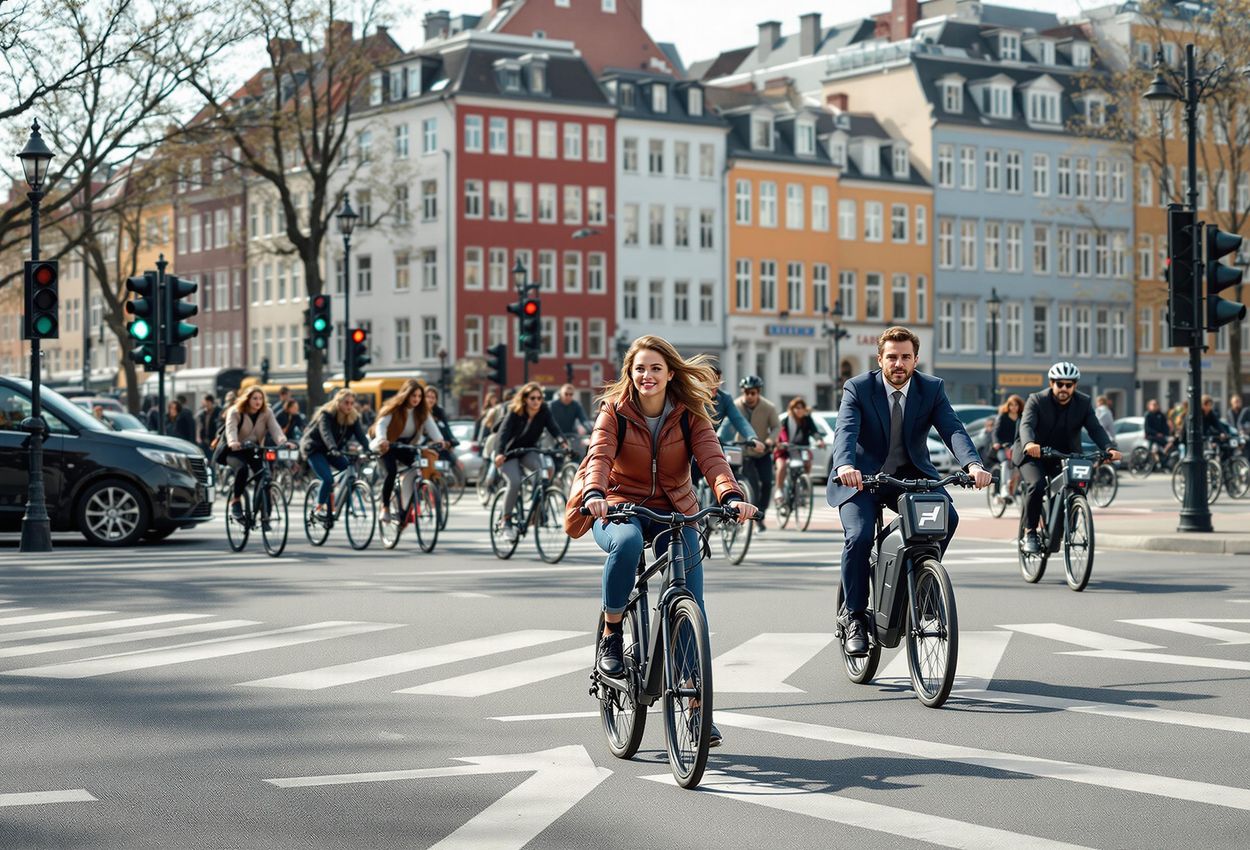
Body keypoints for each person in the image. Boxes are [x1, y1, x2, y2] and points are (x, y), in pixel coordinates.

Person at [580, 335, 757, 748]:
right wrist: (594, 494)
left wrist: (730, 495)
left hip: (676, 509)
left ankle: (697, 709)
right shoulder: (615, 411)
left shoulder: (691, 414)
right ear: (630, 373)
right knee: (625, 544)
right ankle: (612, 633)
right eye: (640, 368)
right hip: (619, 506)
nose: (647, 376)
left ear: (670, 373)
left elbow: (712, 457)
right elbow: (600, 455)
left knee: (690, 601)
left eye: (656, 368)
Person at [829, 326, 992, 657]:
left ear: (916, 359)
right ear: (880, 359)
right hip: (861, 479)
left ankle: (921, 586)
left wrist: (973, 465)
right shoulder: (858, 388)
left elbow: (953, 429)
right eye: (892, 357)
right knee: (859, 537)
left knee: (948, 516)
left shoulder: (931, 389)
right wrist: (845, 466)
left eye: (905, 357)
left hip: (909, 475)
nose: (898, 363)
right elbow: (845, 430)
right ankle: (856, 617)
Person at [1015, 362, 1120, 555]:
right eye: (1060, 384)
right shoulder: (1036, 400)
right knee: (1036, 485)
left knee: (1076, 483)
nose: (1064, 388)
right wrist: (1030, 443)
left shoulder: (1083, 403)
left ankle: (1067, 519)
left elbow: (1095, 428)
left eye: (1069, 385)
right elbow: (1027, 424)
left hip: (1063, 453)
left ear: (1075, 386)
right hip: (1033, 453)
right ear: (1051, 383)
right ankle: (1030, 532)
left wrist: (1109, 448)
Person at [493, 382, 567, 543]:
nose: (536, 401)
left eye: (539, 398)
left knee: (547, 469)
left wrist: (563, 443)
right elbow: (503, 434)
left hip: (528, 450)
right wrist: (499, 453)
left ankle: (537, 511)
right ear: (525, 399)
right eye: (532, 398)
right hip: (508, 453)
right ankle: (505, 521)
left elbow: (554, 428)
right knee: (515, 482)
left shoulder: (543, 411)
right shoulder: (515, 412)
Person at [368, 380, 446, 522]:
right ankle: (385, 507)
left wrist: (440, 441)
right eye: (413, 396)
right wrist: (382, 440)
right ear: (406, 395)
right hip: (386, 445)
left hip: (405, 446)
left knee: (417, 467)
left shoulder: (422, 412)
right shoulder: (394, 408)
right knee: (391, 472)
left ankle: (404, 508)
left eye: (419, 396)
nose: (416, 399)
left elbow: (432, 427)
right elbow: (381, 425)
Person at [224, 388, 293, 522]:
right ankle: (236, 501)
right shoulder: (235, 411)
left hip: (254, 450)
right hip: (235, 450)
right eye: (254, 398)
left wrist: (283, 442)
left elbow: (275, 429)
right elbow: (230, 428)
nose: (258, 401)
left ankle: (264, 513)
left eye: (260, 398)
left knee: (264, 477)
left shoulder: (267, 412)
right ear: (247, 399)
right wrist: (233, 442)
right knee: (242, 469)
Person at [301, 389, 370, 521]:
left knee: (349, 469)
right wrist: (332, 447)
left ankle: (343, 502)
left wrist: (369, 449)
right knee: (327, 479)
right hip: (314, 449)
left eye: (351, 403)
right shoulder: (327, 414)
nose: (349, 406)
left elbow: (360, 435)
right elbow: (325, 433)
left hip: (333, 450)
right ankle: (318, 508)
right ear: (338, 402)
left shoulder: (353, 417)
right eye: (346, 403)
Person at [734, 375, 780, 532]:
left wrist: (769, 441)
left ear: (758, 392)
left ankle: (761, 514)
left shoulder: (768, 407)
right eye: (746, 392)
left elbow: (776, 427)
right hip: (744, 453)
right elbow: (728, 424)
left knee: (767, 483)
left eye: (753, 393)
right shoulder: (736, 405)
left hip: (763, 452)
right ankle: (751, 515)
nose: (749, 396)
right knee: (752, 485)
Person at [773, 396, 824, 503]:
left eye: (801, 408)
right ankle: (779, 489)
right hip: (785, 450)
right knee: (781, 466)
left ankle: (803, 484)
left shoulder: (807, 420)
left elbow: (814, 432)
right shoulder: (786, 419)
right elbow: (780, 433)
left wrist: (819, 440)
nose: (799, 410)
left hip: (801, 449)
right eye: (796, 408)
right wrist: (781, 444)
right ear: (792, 409)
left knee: (807, 462)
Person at [991, 395, 1024, 501]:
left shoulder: (1022, 417)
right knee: (1005, 463)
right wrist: (997, 443)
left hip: (1017, 447)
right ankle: (1004, 488)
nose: (1014, 407)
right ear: (1008, 406)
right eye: (1011, 405)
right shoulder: (1003, 417)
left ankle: (1016, 487)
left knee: (1021, 465)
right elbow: (996, 433)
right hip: (1003, 447)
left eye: (1016, 405)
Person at [550, 384, 592, 457]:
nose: (568, 396)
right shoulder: (552, 405)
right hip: (555, 435)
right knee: (554, 457)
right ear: (561, 394)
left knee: (579, 454)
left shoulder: (576, 405)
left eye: (571, 394)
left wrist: (591, 431)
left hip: (570, 434)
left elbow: (584, 420)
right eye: (566, 394)